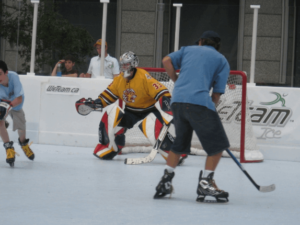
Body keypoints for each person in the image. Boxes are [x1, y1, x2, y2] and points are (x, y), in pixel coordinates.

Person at [153, 31, 230, 203]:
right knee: (217, 146)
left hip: (178, 101)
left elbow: (166, 60)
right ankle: (206, 182)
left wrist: (176, 80)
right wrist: (210, 107)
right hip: (200, 103)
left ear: (201, 41)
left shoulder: (188, 49)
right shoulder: (221, 60)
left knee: (179, 144)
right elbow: (216, 95)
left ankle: (166, 180)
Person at [80, 51, 186, 163]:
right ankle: (110, 147)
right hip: (130, 112)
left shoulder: (144, 76)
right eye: (123, 64)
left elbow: (161, 92)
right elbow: (107, 97)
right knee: (112, 112)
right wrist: (94, 103)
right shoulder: (118, 80)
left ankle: (175, 153)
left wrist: (168, 107)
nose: (124, 67)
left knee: (152, 128)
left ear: (133, 64)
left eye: (126, 64)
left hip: (149, 111)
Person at [0, 60, 35, 167]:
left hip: (16, 105)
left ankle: (23, 143)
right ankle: (9, 148)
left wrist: (7, 106)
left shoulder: (14, 77)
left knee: (21, 128)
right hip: (2, 103)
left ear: (6, 72)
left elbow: (19, 99)